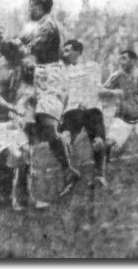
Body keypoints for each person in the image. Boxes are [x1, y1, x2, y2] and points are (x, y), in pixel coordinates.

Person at [19, 0, 80, 197]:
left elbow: (32, 47)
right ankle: (66, 169)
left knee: (47, 123)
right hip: (41, 73)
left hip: (51, 75)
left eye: (32, 6)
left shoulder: (48, 25)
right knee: (33, 127)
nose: (30, 10)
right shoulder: (40, 25)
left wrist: (16, 48)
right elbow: (25, 41)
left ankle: (68, 169)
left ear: (41, 7)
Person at [0, 39, 49, 211]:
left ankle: (29, 198)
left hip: (8, 118)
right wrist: (12, 107)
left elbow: (35, 74)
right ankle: (12, 199)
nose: (25, 48)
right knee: (15, 155)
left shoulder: (19, 63)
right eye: (20, 47)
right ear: (11, 53)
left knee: (26, 153)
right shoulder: (3, 70)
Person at [100, 50, 138, 186]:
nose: (121, 62)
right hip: (122, 118)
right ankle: (102, 176)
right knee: (108, 144)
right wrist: (113, 92)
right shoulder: (116, 75)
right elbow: (102, 91)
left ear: (133, 60)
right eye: (120, 59)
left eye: (124, 59)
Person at [58, 40, 108, 187]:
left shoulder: (92, 66)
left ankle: (100, 176)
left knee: (98, 142)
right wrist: (61, 112)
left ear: (78, 52)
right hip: (72, 110)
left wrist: (87, 102)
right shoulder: (63, 70)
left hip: (91, 108)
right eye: (64, 51)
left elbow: (96, 88)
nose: (64, 54)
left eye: (67, 50)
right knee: (64, 140)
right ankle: (69, 175)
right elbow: (63, 93)